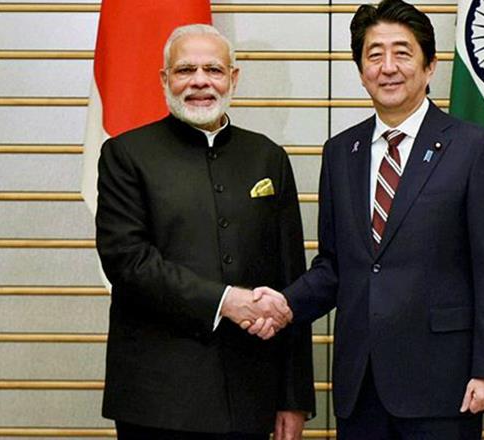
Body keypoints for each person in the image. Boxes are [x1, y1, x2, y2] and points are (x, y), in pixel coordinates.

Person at [250, 0, 484, 438]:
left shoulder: (474, 149)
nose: (388, 67)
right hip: (360, 385)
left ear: (430, 66)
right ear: (361, 71)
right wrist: (283, 305)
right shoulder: (341, 152)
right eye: (374, 55)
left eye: (402, 53)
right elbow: (335, 265)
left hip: (444, 385)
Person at [95, 24, 315, 440]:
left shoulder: (267, 157)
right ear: (165, 79)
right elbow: (128, 263)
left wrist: (293, 396)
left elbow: (290, 276)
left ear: (233, 78)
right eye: (185, 70)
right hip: (156, 401)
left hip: (251, 396)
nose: (200, 81)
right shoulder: (125, 155)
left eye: (213, 69)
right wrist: (225, 301)